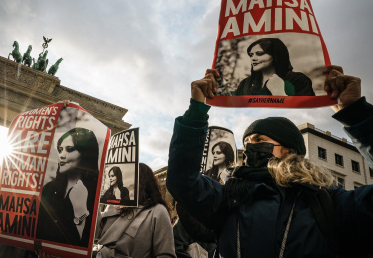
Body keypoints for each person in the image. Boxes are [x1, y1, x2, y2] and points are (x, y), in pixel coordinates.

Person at [166, 67, 373, 257]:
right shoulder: (229, 197)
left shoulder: (328, 201)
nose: (250, 147)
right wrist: (196, 112)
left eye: (260, 140)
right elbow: (182, 180)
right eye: (246, 141)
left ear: (289, 151)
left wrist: (357, 113)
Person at [95, 163, 176, 258]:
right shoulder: (114, 205)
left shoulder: (157, 211)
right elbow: (96, 235)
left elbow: (165, 254)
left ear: (142, 182)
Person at [36, 127, 99, 247]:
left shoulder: (94, 194)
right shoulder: (48, 188)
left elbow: (84, 245)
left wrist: (80, 212)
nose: (62, 155)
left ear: (85, 153)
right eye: (60, 150)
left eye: (69, 149)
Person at [234, 38, 315, 96]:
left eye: (260, 53)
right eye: (251, 55)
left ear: (275, 56)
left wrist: (280, 93)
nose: (253, 58)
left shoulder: (298, 80)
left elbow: (305, 109)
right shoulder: (245, 84)